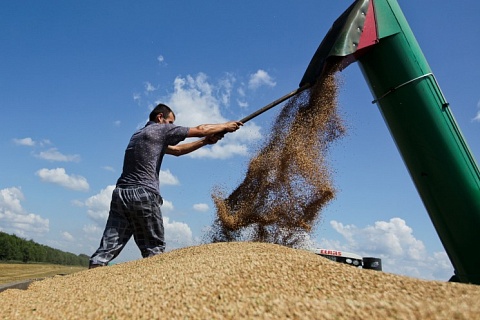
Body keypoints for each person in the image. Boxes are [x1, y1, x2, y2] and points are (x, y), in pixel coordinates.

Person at [89, 103, 242, 268]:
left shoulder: (139, 135)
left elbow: (177, 150)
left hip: (121, 195)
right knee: (154, 249)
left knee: (108, 247)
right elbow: (202, 128)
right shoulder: (160, 129)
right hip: (143, 193)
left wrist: (205, 141)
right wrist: (226, 125)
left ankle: (92, 274)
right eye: (170, 122)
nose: (172, 127)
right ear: (160, 117)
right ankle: (155, 289)